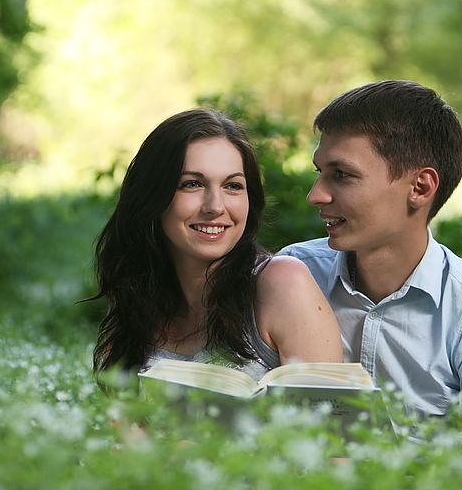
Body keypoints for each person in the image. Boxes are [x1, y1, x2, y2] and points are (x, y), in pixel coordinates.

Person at [279, 80, 462, 416]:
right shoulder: (293, 274)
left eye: (341, 175)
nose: (316, 195)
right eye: (319, 172)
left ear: (420, 187)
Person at [88, 108, 342, 381]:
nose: (215, 207)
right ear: (153, 196)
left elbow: (327, 418)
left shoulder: (282, 282)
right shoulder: (136, 306)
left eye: (232, 186)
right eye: (192, 184)